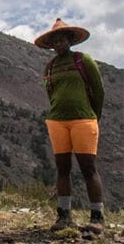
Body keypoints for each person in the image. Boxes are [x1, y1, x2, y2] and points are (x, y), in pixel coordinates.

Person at [34, 18, 105, 235]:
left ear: (70, 40)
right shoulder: (51, 66)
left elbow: (98, 91)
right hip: (57, 120)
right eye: (55, 40)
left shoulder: (83, 60)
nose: (59, 43)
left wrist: (93, 116)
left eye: (62, 38)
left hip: (83, 120)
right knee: (62, 168)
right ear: (52, 43)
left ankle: (96, 217)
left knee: (88, 168)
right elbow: (51, 93)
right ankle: (64, 216)